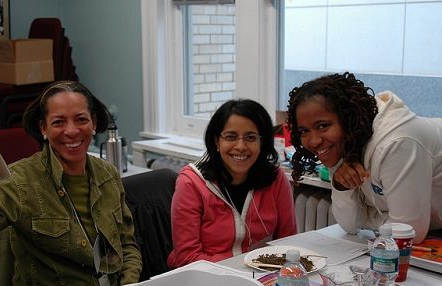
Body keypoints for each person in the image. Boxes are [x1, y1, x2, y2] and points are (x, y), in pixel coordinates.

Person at [0, 81, 142, 286]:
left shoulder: (108, 174)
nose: (71, 131)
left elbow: (128, 245)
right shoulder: (20, 180)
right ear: (43, 128)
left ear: (94, 123)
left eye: (81, 119)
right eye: (58, 122)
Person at [286, 72, 442, 244]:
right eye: (304, 131)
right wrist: (341, 185)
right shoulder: (343, 144)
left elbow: (409, 232)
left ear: (348, 119)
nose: (314, 141)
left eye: (323, 126)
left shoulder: (396, 142)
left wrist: (373, 220)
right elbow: (351, 226)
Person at [167, 99, 297, 268]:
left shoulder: (275, 178)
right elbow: (187, 258)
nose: (241, 146)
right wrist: (245, 268)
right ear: (216, 142)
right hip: (204, 278)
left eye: (250, 137)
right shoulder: (191, 183)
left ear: (262, 141)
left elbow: (287, 241)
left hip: (260, 276)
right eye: (231, 137)